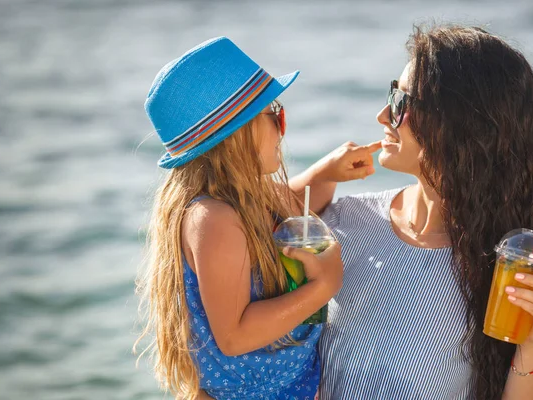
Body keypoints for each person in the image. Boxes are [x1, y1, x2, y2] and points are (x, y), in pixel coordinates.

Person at [309, 25, 533, 399]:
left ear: (455, 122)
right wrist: (318, 175)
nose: (382, 116)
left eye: (400, 101)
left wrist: (531, 344)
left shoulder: (505, 265)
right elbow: (241, 226)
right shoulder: (344, 222)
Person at [133, 37, 380, 399]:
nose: (283, 125)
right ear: (238, 132)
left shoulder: (247, 202)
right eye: (274, 112)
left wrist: (324, 174)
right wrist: (324, 286)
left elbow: (287, 202)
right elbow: (235, 337)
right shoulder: (213, 220)